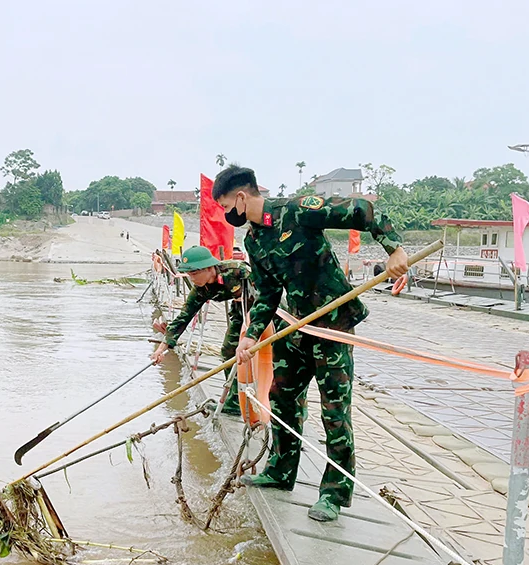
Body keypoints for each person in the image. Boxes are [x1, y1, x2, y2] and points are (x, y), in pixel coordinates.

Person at [212, 165, 408, 522]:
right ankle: (281, 471)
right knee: (282, 398)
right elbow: (267, 292)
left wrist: (394, 250)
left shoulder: (298, 209)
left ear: (241, 197)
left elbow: (364, 210)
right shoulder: (254, 241)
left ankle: (333, 494)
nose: (227, 216)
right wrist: (252, 336)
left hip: (333, 325)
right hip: (295, 324)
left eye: (226, 206)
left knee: (334, 409)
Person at [151, 245, 252, 416]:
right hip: (240, 313)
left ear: (208, 268)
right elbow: (183, 317)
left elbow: (269, 291)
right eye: (189, 274)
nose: (192, 279)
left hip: (267, 311)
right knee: (228, 351)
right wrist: (161, 350)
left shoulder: (237, 271)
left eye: (195, 273)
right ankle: (234, 403)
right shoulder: (201, 289)